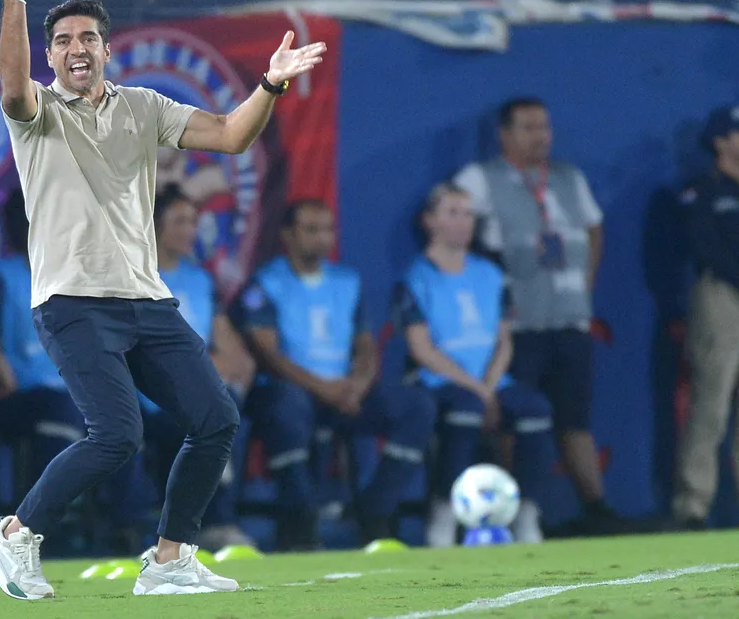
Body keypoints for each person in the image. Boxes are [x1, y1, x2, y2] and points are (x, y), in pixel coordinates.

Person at [0, 0, 326, 600]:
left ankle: (169, 559)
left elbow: (230, 135)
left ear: (108, 50)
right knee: (116, 435)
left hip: (145, 301)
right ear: (51, 56)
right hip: (72, 303)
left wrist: (270, 84)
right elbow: (13, 88)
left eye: (88, 38)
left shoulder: (142, 106)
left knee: (216, 417)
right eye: (64, 41)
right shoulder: (36, 115)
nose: (77, 48)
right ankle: (14, 535)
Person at [453, 97, 628, 535]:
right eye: (529, 127)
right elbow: (452, 224)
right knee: (513, 422)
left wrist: (585, 281)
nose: (541, 136)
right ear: (504, 134)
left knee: (575, 420)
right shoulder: (479, 179)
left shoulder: (569, 177)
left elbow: (593, 228)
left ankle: (596, 509)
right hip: (517, 325)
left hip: (570, 320)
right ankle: (508, 511)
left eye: (545, 127)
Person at [239, 199, 436, 550]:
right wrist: (323, 388)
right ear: (288, 235)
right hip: (292, 391)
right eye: (311, 230)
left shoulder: (347, 282)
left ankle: (375, 511)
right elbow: (268, 355)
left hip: (344, 394)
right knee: (286, 406)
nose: (323, 238)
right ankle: (301, 520)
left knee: (416, 406)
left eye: (328, 229)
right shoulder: (265, 283)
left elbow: (366, 346)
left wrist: (357, 385)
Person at [392, 183, 554, 547]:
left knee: (535, 410)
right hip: (438, 381)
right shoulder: (416, 279)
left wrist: (490, 385)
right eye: (452, 213)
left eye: (468, 214)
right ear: (429, 221)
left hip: (492, 382)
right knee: (464, 410)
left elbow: (504, 341)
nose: (464, 222)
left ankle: (526, 516)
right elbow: (421, 349)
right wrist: (478, 390)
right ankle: (443, 515)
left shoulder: (491, 275)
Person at [131, 184, 256, 551]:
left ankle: (215, 523)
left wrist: (211, 370)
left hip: (196, 390)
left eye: (193, 221)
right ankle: (212, 524)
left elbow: (234, 355)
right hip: (151, 400)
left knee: (224, 411)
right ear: (153, 225)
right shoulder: (134, 280)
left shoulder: (200, 279)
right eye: (180, 221)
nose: (190, 230)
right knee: (210, 418)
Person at [0, 188, 85, 510]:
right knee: (63, 412)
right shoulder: (5, 275)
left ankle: (120, 520)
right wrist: (2, 370)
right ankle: (42, 514)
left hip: (68, 390)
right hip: (19, 394)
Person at [672, 106, 739, 529]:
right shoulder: (704, 189)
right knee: (711, 403)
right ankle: (693, 505)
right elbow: (702, 245)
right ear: (721, 141)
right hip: (721, 295)